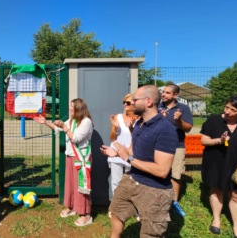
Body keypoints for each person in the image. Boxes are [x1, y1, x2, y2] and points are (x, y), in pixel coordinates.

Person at [101, 85, 178, 237]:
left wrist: (128, 158)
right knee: (116, 212)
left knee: (150, 232)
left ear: (148, 101)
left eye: (135, 100)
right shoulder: (139, 124)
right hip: (132, 179)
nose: (132, 103)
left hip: (155, 190)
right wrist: (115, 153)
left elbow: (162, 171)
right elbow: (132, 150)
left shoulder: (165, 130)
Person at [34, 98, 94, 227]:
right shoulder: (72, 120)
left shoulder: (86, 121)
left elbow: (76, 138)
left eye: (72, 107)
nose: (70, 109)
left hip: (81, 158)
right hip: (70, 156)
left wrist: (64, 127)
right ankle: (72, 207)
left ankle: (86, 214)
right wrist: (45, 122)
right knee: (71, 184)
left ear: (79, 108)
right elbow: (59, 128)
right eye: (70, 106)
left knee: (81, 186)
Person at [200, 95, 237, 238]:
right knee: (216, 190)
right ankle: (216, 219)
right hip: (216, 162)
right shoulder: (213, 120)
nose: (227, 111)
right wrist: (219, 140)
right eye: (227, 107)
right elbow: (204, 141)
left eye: (233, 110)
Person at [159, 84, 193, 217]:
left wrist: (179, 121)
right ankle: (159, 200)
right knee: (158, 173)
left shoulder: (183, 108)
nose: (163, 94)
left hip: (177, 146)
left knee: (175, 175)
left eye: (167, 93)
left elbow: (188, 128)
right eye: (163, 92)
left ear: (175, 95)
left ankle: (174, 202)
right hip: (159, 146)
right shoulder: (157, 106)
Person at [108, 93, 137, 194]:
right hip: (116, 152)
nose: (125, 104)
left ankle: (129, 207)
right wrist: (115, 127)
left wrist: (132, 128)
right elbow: (112, 138)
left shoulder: (140, 119)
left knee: (131, 182)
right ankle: (116, 208)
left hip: (131, 154)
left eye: (128, 102)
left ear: (135, 103)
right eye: (123, 102)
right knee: (116, 182)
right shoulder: (118, 117)